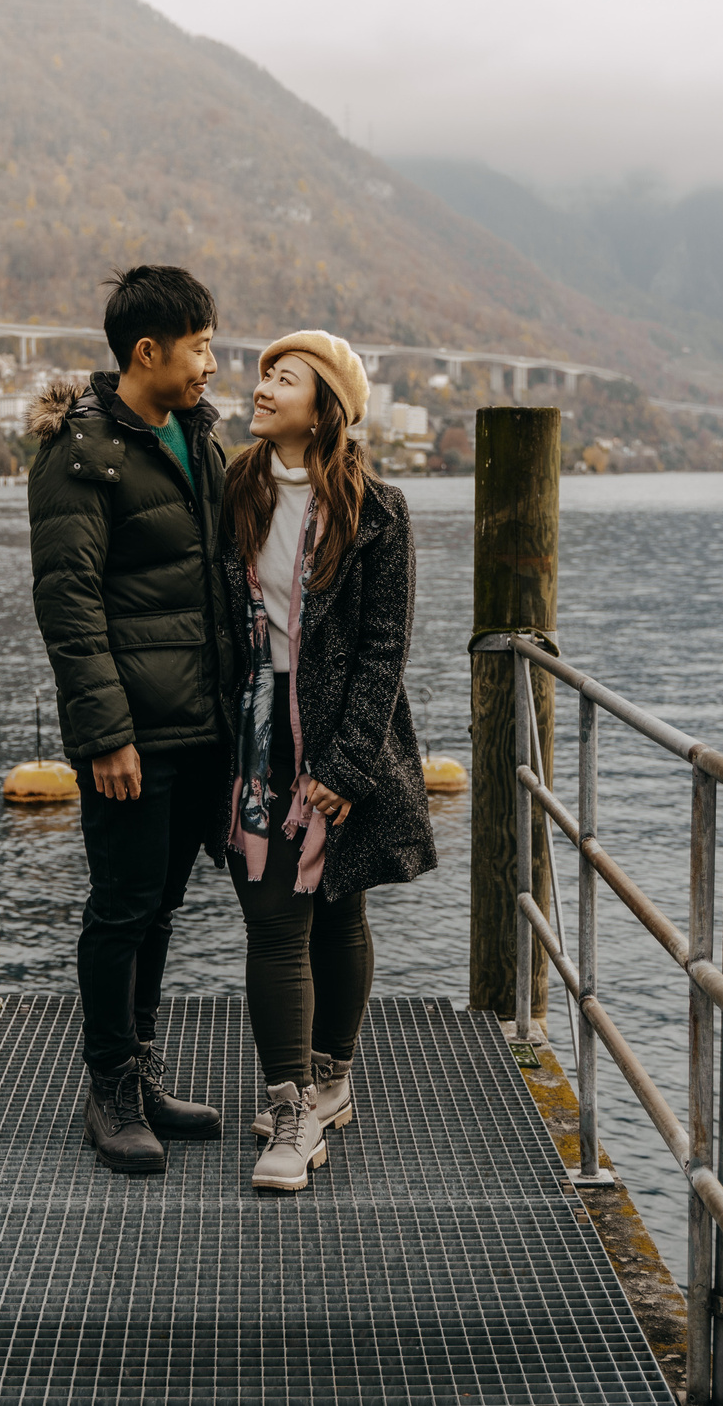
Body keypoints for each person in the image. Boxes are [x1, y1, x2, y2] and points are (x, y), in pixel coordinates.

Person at [217, 333, 435, 1194]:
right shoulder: (235, 485)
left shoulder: (379, 508)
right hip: (254, 734)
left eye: (286, 376)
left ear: (328, 403)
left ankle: (333, 1076)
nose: (264, 385)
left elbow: (387, 649)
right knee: (274, 917)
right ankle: (291, 1110)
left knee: (341, 907)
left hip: (346, 734)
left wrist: (345, 768)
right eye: (264, 372)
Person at [26, 265, 231, 1175]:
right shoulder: (82, 453)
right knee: (119, 908)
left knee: (161, 907)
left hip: (200, 722)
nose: (214, 365)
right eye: (201, 347)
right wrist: (105, 734)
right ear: (148, 351)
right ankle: (107, 1084)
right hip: (133, 732)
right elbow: (68, 604)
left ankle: (141, 1070)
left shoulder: (197, 434)